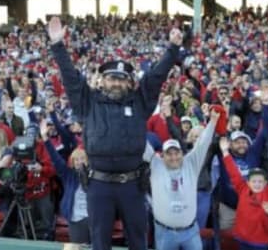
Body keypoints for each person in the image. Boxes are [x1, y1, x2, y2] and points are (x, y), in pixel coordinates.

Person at [48, 16, 182, 250]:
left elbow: (155, 77)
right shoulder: (87, 102)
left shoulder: (140, 102)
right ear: (102, 81)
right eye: (111, 78)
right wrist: (58, 45)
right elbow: (70, 77)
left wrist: (172, 50)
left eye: (122, 79)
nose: (117, 83)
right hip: (98, 184)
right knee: (100, 242)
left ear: (130, 83)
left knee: (138, 240)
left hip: (132, 183)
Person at [143, 110, 219, 250]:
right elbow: (140, 140)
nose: (173, 157)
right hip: (165, 233)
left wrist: (212, 122)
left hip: (190, 232)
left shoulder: (191, 164)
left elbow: (203, 143)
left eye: (176, 153)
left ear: (182, 153)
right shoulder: (156, 164)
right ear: (162, 155)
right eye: (169, 154)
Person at [219, 139, 268, 250]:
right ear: (248, 182)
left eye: (260, 181)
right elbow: (233, 173)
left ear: (265, 183)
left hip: (260, 243)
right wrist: (226, 153)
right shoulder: (242, 189)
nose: (257, 184)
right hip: (242, 239)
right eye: (254, 181)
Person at [40, 119, 90, 244]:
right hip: (75, 219)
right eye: (76, 159)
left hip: (93, 218)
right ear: (72, 162)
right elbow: (55, 158)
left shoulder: (94, 175)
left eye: (82, 159)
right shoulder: (68, 175)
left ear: (88, 160)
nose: (79, 161)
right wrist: (46, 139)